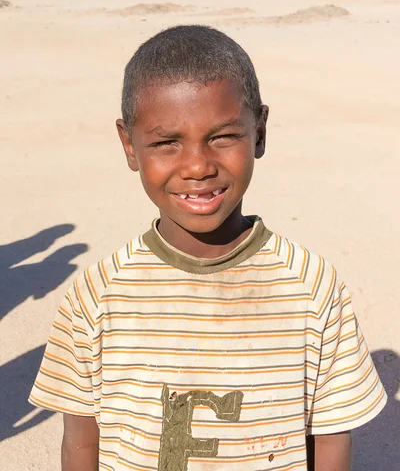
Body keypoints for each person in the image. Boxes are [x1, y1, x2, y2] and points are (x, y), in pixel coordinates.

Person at [29, 25, 386, 471]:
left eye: (222, 137)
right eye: (166, 143)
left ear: (259, 133)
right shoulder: (98, 294)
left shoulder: (311, 287)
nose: (197, 165)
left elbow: (332, 438)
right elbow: (81, 442)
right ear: (129, 145)